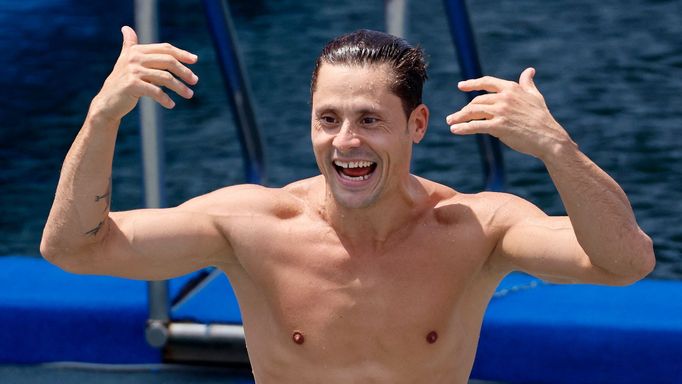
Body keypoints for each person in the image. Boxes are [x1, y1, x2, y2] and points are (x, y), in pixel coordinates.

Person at [41, 27, 655, 383]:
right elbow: (72, 248)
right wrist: (102, 117)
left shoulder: (477, 228)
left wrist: (554, 146)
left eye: (370, 120)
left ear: (417, 125)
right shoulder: (251, 225)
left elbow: (625, 262)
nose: (346, 143)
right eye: (328, 119)